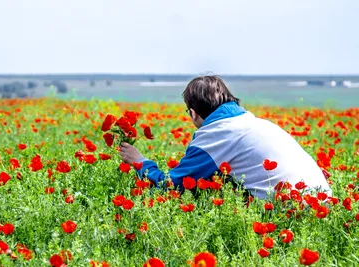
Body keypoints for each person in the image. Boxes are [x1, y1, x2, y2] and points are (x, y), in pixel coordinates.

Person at [119, 75, 331, 199]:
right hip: (323, 203)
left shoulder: (216, 134)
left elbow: (172, 187)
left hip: (292, 214)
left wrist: (141, 163)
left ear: (193, 112)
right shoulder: (257, 124)